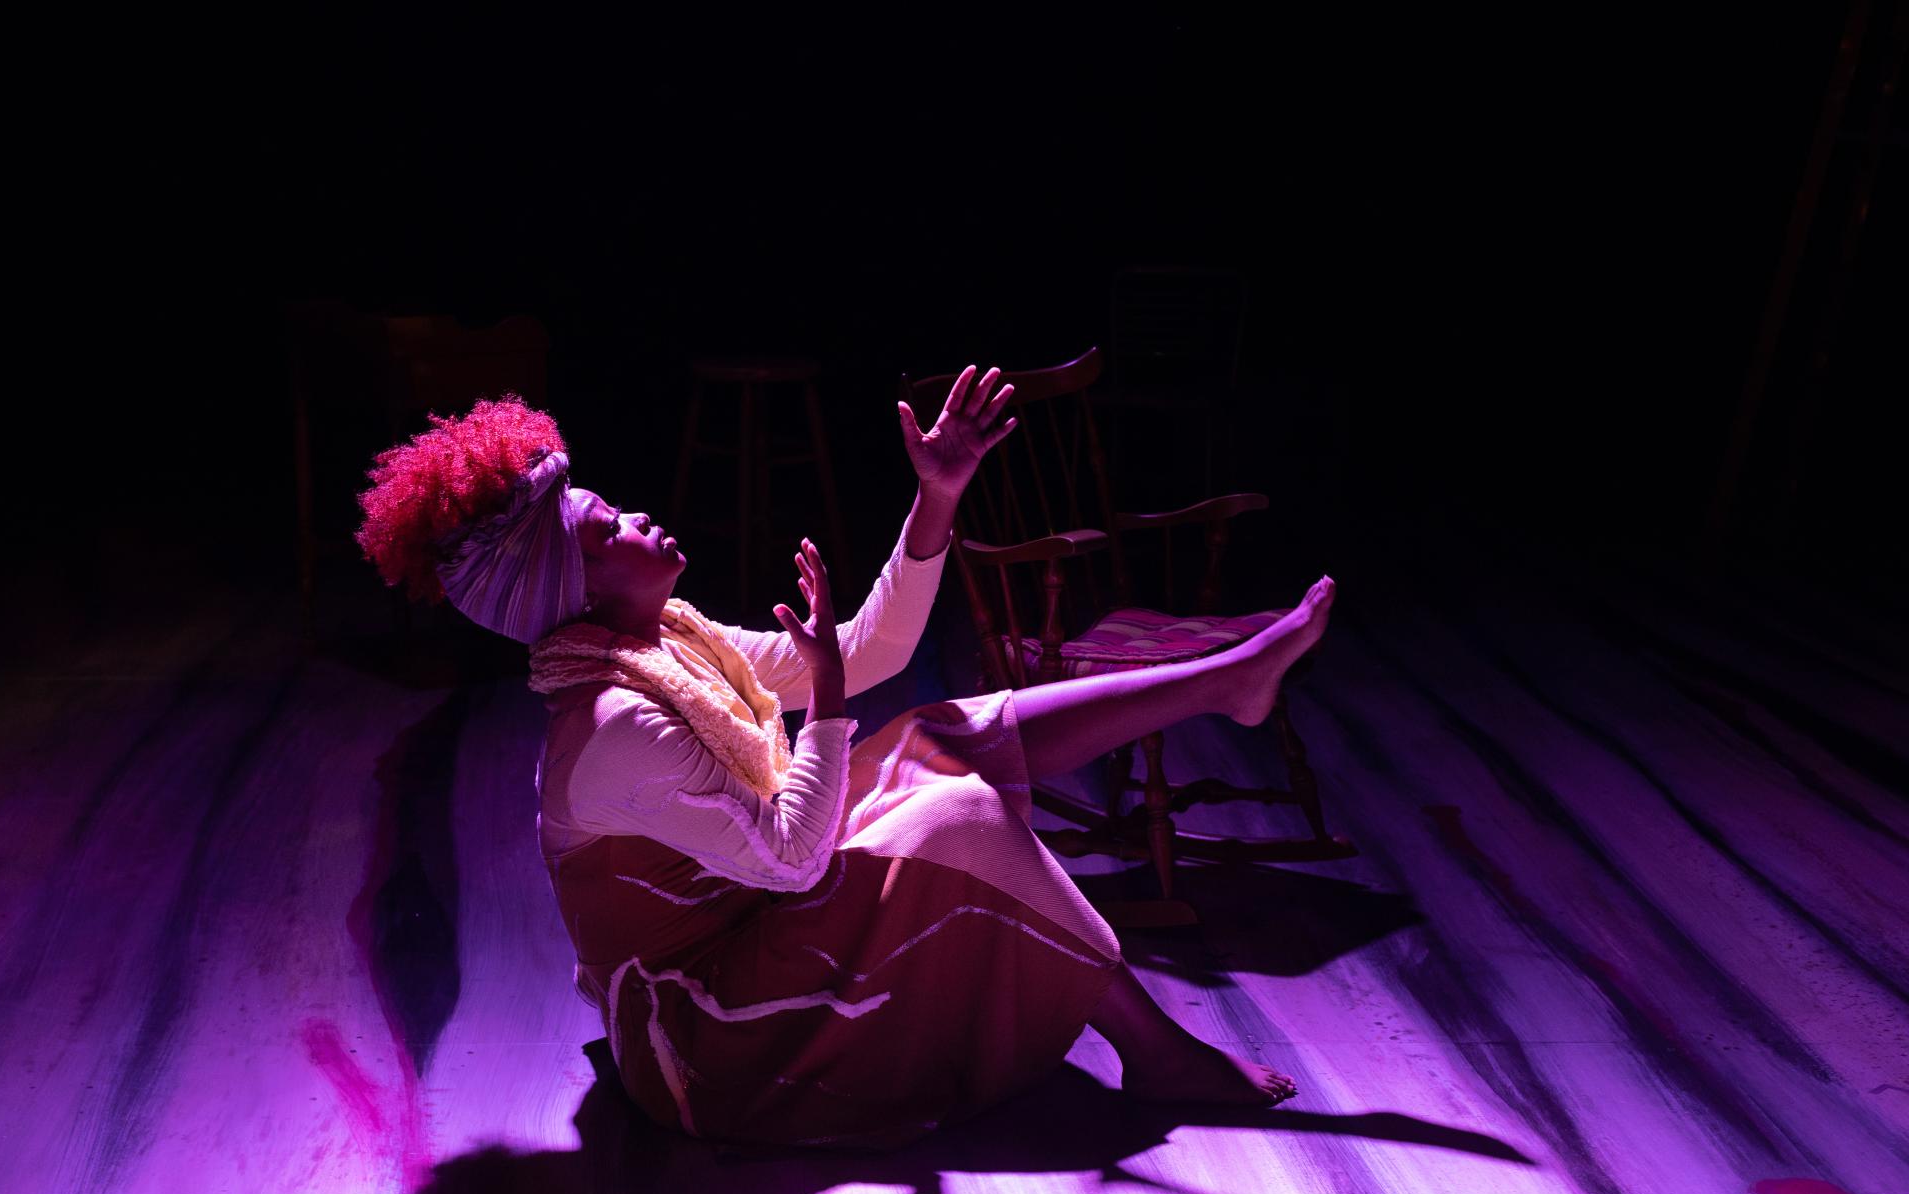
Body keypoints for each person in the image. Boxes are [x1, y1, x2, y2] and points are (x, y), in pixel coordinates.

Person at [355, 369, 1336, 1152]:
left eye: (610, 505)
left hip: (755, 916)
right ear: (572, 586)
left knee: (943, 734)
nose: (636, 518)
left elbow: (872, 653)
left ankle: (1221, 682)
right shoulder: (615, 719)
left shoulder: (665, 643)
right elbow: (793, 861)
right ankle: (1154, 1050)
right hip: (709, 1028)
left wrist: (935, 497)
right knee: (948, 814)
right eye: (606, 531)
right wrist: (822, 695)